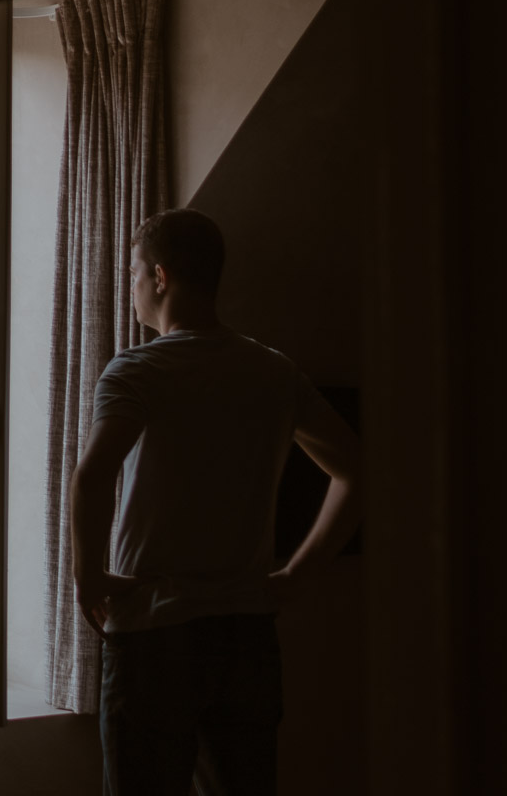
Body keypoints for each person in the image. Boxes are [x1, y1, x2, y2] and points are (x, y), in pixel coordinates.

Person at [68, 208, 363, 796]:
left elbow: (92, 477)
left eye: (131, 275)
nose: (129, 290)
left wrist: (87, 579)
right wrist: (299, 573)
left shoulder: (139, 369)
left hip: (155, 630)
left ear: (159, 276)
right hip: (246, 633)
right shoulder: (274, 371)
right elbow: (356, 472)